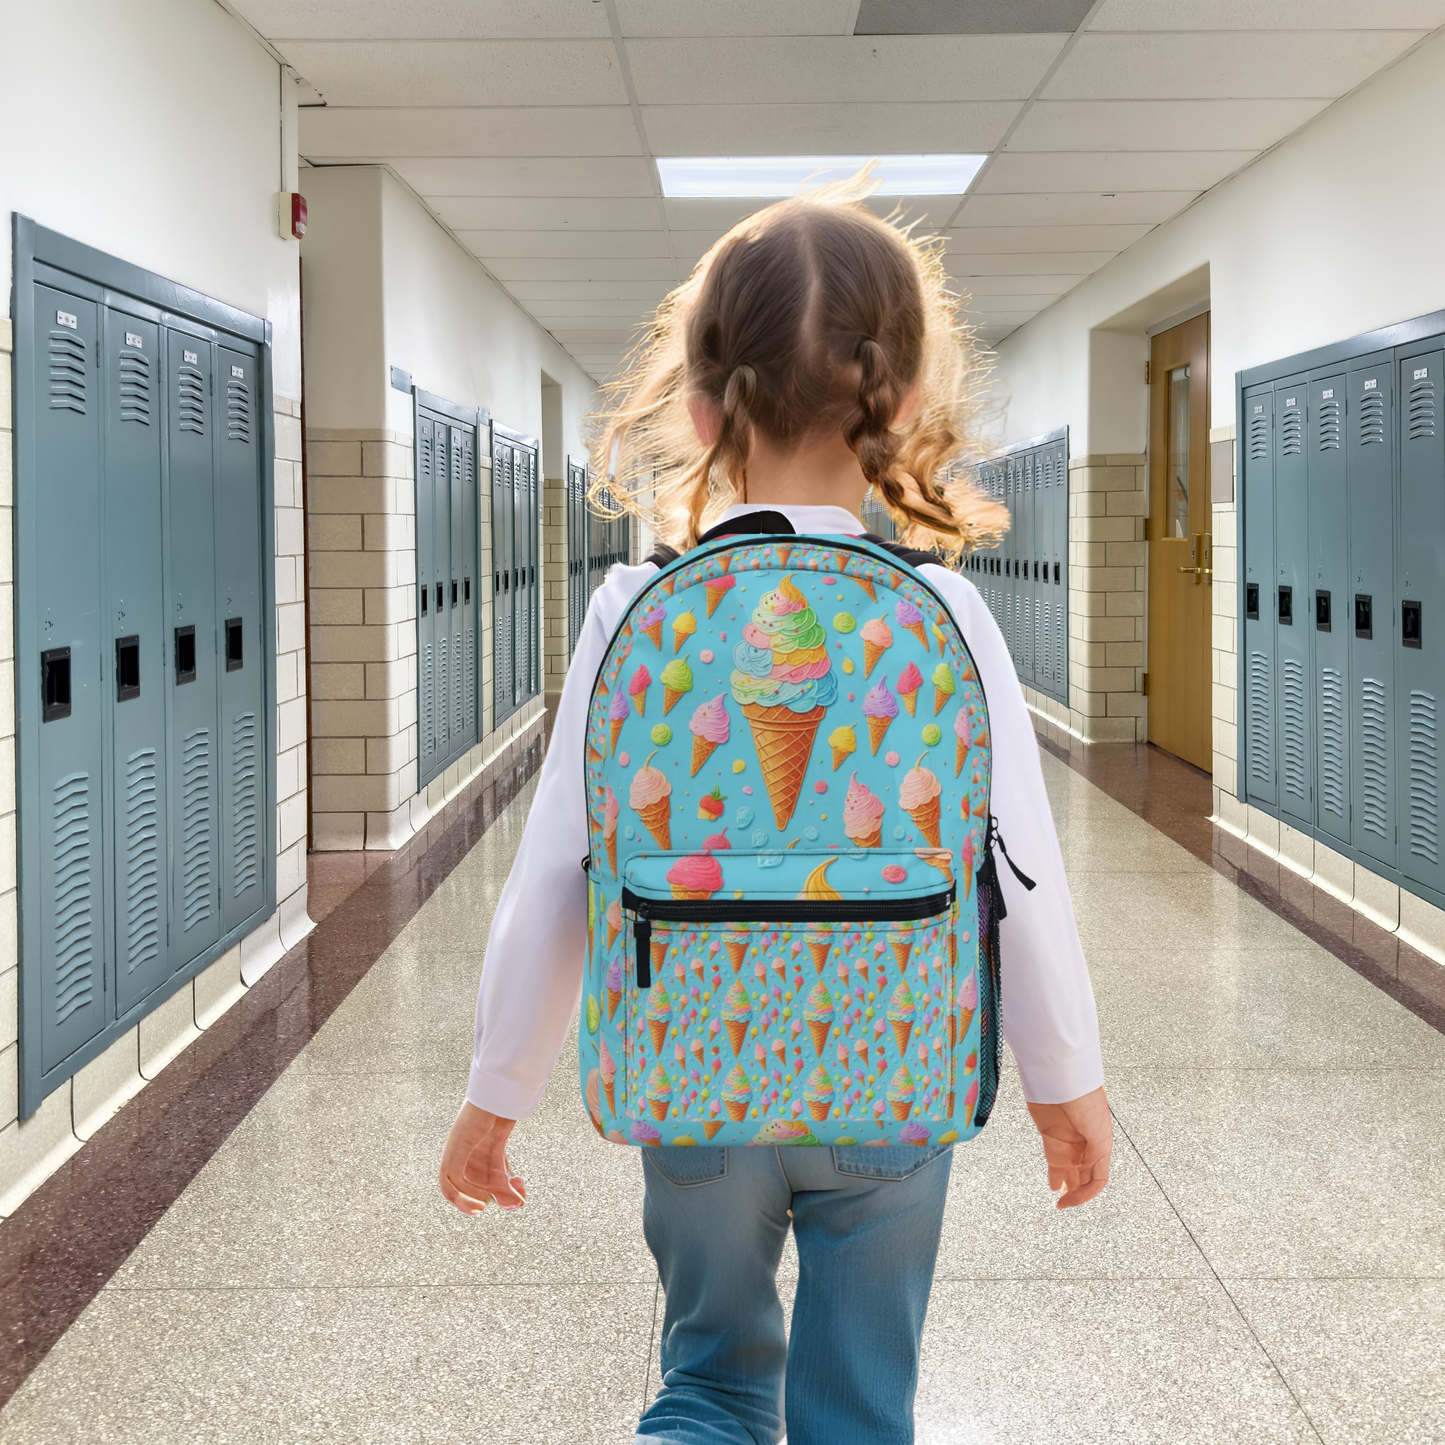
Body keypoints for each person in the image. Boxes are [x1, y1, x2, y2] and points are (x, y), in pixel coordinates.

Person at [439, 177, 1110, 1445]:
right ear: (902, 400)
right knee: (861, 1406)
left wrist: (497, 1087)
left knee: (707, 1385)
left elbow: (552, 876)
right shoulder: (947, 613)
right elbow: (1015, 871)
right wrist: (1062, 1076)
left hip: (694, 1070)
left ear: (699, 406)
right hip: (890, 1070)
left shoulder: (632, 609)